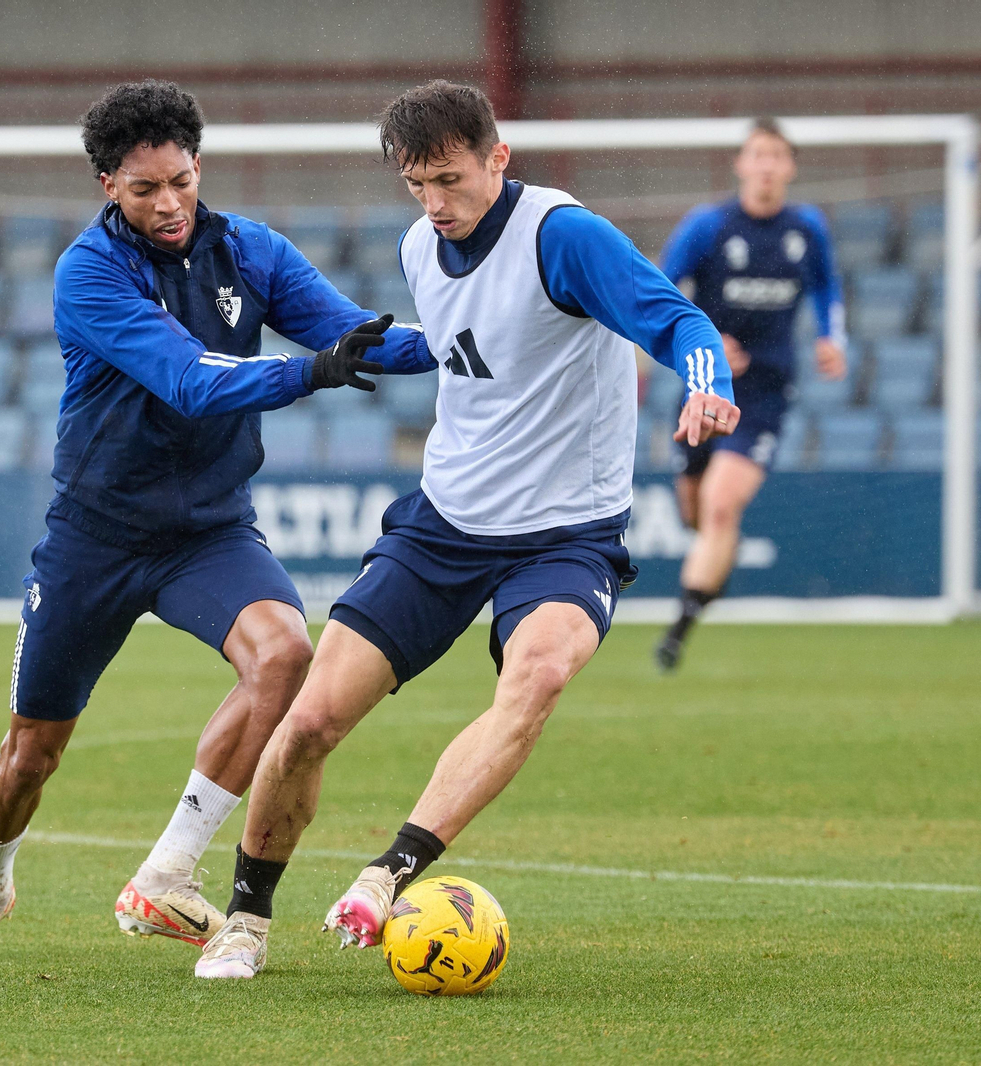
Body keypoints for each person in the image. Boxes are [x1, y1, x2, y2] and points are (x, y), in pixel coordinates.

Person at [193, 80, 739, 980]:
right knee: (309, 722)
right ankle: (245, 921)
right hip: (444, 526)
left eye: (451, 179)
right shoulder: (419, 246)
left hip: (567, 534)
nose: (436, 204)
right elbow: (461, 353)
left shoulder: (562, 236)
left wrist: (705, 379)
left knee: (538, 674)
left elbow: (675, 317)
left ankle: (390, 872)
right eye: (417, 185)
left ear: (499, 157)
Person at [0, 80, 432, 959]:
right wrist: (310, 373)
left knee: (285, 655)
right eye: (146, 188)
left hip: (208, 532)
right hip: (94, 538)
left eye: (181, 180)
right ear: (108, 186)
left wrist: (476, 340)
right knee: (28, 757)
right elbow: (190, 381)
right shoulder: (89, 273)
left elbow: (356, 333)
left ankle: (166, 875)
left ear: (199, 167)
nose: (170, 202)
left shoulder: (253, 251)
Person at [654, 118, 847, 671]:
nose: (766, 165)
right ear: (741, 164)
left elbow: (828, 287)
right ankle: (714, 571)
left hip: (764, 393)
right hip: (703, 387)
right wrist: (707, 339)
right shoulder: (708, 226)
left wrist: (833, 339)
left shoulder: (806, 228)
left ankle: (678, 629)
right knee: (695, 512)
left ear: (789, 167)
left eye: (776, 156)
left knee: (719, 506)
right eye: (757, 155)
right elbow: (661, 291)